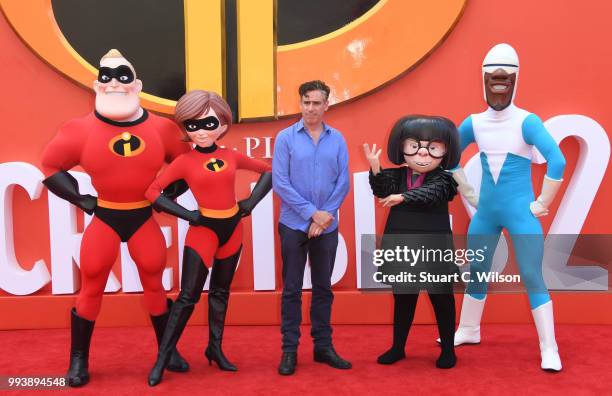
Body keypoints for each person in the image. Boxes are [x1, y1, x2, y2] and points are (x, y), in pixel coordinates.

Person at [41, 49, 190, 387]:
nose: (114, 83)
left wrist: (165, 199)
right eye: (106, 77)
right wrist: (82, 200)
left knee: (154, 280)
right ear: (97, 85)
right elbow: (50, 166)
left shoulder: (162, 128)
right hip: (106, 217)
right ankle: (78, 360)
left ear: (136, 84)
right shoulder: (79, 129)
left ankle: (169, 351)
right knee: (92, 283)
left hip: (141, 218)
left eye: (123, 76)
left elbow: (185, 165)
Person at [450, 43, 566, 371]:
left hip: (518, 213)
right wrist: (470, 194)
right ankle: (469, 329)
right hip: (487, 213)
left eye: (505, 79)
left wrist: (543, 202)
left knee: (531, 274)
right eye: (492, 79)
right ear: (482, 79)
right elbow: (450, 158)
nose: (498, 85)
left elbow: (557, 159)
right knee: (477, 271)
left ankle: (549, 346)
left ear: (517, 79)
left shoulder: (527, 121)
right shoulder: (473, 122)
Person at [146, 90, 272, 386]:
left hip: (232, 229)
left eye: (208, 123)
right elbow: (152, 193)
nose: (201, 131)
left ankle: (214, 348)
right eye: (193, 125)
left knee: (220, 293)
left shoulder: (231, 155)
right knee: (187, 297)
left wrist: (250, 203)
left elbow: (268, 171)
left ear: (222, 123)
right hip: (203, 231)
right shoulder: (184, 162)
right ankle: (162, 359)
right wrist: (189, 216)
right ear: (185, 127)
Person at [364, 115, 461, 368]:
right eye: (413, 145)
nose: (422, 154)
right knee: (403, 298)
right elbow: (382, 189)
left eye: (433, 147)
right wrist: (375, 168)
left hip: (434, 249)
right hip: (401, 246)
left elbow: (432, 193)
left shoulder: (445, 179)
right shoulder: (397, 176)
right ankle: (398, 348)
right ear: (402, 147)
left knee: (442, 298)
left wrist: (403, 198)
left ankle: (448, 350)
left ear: (445, 151)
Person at [272, 80, 351, 375]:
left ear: (326, 105)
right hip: (293, 225)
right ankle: (289, 350)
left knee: (323, 288)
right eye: (306, 102)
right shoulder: (285, 138)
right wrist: (311, 215)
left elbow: (342, 182)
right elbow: (281, 182)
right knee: (291, 289)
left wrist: (325, 216)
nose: (311, 108)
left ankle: (323, 347)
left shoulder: (338, 139)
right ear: (300, 103)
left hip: (327, 228)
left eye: (317, 103)